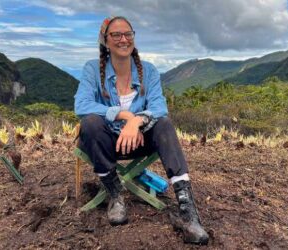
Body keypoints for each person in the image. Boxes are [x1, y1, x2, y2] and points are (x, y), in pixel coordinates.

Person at [74, 16, 209, 245]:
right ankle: (115, 195)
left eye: (128, 34)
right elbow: (82, 105)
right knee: (90, 124)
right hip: (106, 144)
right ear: (106, 41)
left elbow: (159, 107)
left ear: (134, 38)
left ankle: (188, 213)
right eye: (115, 35)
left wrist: (136, 123)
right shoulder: (92, 70)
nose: (123, 39)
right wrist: (125, 116)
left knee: (164, 124)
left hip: (138, 142)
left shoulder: (149, 71)